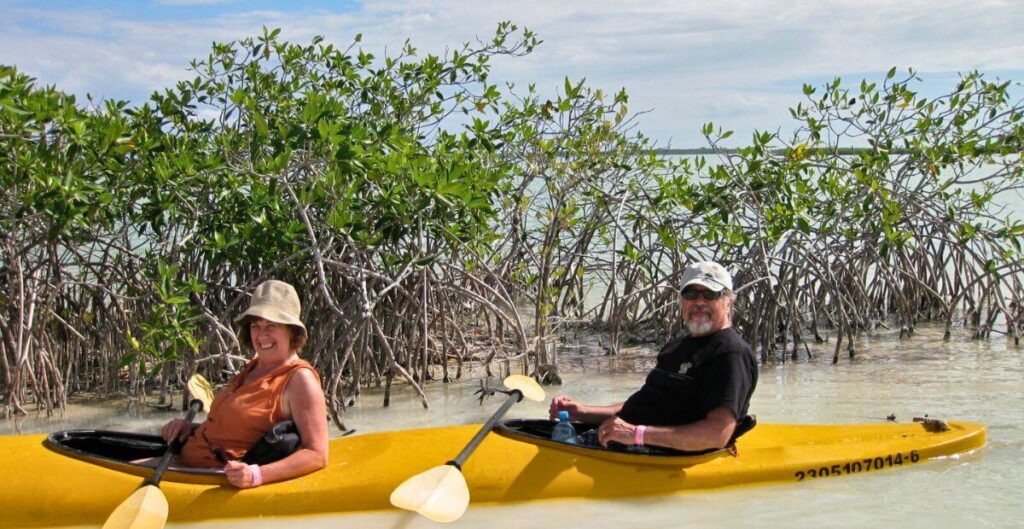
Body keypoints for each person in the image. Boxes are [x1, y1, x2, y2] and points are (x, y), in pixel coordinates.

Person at [549, 261, 757, 452]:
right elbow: (646, 405)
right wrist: (583, 412)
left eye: (710, 294)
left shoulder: (730, 353)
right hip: (617, 443)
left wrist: (636, 434)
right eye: (691, 294)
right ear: (682, 301)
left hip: (653, 455)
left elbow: (716, 434)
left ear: (728, 302)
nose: (699, 301)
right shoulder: (676, 348)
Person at [162, 280, 329, 488]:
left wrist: (255, 475)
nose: (261, 335)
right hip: (185, 462)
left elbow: (317, 454)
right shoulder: (255, 367)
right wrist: (190, 428)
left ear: (292, 331)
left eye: (271, 326)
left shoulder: (300, 380)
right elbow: (241, 430)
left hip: (213, 478)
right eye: (255, 326)